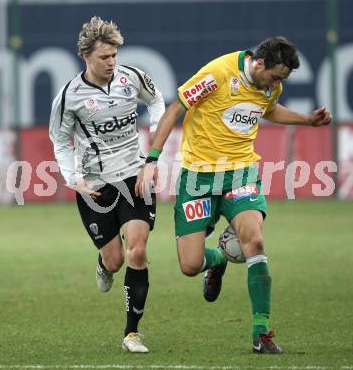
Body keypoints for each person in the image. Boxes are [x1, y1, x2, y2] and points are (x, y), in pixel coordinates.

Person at [136, 36, 331, 354]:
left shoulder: (271, 87)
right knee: (189, 264)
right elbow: (175, 109)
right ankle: (218, 260)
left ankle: (261, 333)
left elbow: (270, 109)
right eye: (275, 76)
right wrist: (152, 160)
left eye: (282, 79)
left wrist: (307, 120)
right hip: (198, 178)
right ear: (259, 64)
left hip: (241, 174)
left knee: (254, 241)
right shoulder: (218, 73)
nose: (277, 83)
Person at [49, 16, 165, 353]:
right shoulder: (70, 95)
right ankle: (103, 265)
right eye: (104, 57)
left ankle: (132, 333)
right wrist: (74, 180)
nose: (112, 62)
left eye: (114, 55)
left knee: (138, 249)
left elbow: (157, 100)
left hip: (134, 174)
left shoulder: (131, 77)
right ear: (86, 57)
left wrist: (154, 141)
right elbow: (60, 141)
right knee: (115, 260)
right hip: (96, 185)